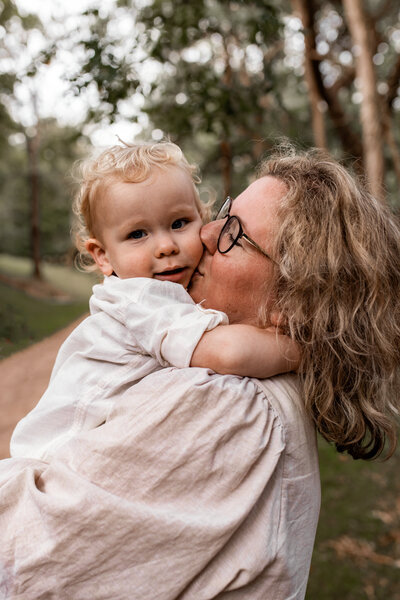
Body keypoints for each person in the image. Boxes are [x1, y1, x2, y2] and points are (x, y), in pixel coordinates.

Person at [0, 146, 399, 599]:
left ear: (294, 301)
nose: (204, 233)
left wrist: (311, 342)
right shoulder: (182, 332)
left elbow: (27, 560)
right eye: (223, 214)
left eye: (234, 234)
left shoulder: (227, 403)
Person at [10, 141, 297, 462]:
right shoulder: (142, 298)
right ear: (102, 256)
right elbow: (228, 352)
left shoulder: (156, 295)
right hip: (54, 452)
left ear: (200, 220)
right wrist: (306, 351)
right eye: (137, 234)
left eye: (178, 224)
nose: (165, 246)